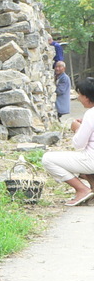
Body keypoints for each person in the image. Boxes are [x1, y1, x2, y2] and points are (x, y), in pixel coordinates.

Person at [42, 77, 94, 206]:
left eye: (80, 95)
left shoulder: (90, 114)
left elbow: (78, 144)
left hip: (91, 160)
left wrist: (77, 128)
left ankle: (82, 189)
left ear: (87, 97)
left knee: (48, 159)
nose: (78, 98)